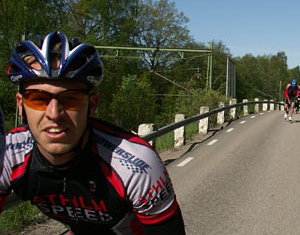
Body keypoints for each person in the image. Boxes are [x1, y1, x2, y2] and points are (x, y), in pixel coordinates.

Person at [0, 32, 185, 234]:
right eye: (38, 99)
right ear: (20, 105)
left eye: (71, 100)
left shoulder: (135, 166)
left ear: (92, 105)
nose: (54, 114)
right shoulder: (8, 154)